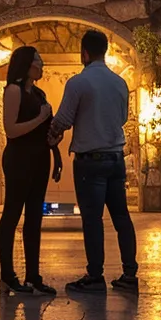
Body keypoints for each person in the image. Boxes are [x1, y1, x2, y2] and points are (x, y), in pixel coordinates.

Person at [48, 30, 137, 293]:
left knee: (92, 219)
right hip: (115, 158)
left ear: (84, 53)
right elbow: (122, 118)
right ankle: (129, 274)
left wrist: (51, 132)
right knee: (122, 216)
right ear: (105, 51)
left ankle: (95, 275)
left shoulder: (78, 83)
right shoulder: (119, 83)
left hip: (90, 162)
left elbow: (63, 119)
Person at [0, 46, 63, 295]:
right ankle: (7, 276)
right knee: (12, 214)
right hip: (18, 158)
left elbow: (45, 131)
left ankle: (33, 276)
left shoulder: (39, 93)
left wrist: (56, 153)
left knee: (35, 216)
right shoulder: (13, 91)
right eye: (39, 61)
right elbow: (11, 130)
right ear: (27, 64)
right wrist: (40, 117)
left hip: (39, 158)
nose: (42, 65)